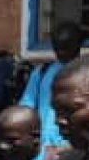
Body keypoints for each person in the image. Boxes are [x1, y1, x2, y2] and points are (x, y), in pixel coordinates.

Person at [19, 21, 85, 151]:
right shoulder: (42, 72)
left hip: (71, 148)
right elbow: (26, 107)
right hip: (41, 148)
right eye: (56, 47)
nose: (60, 52)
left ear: (78, 45)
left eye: (65, 47)